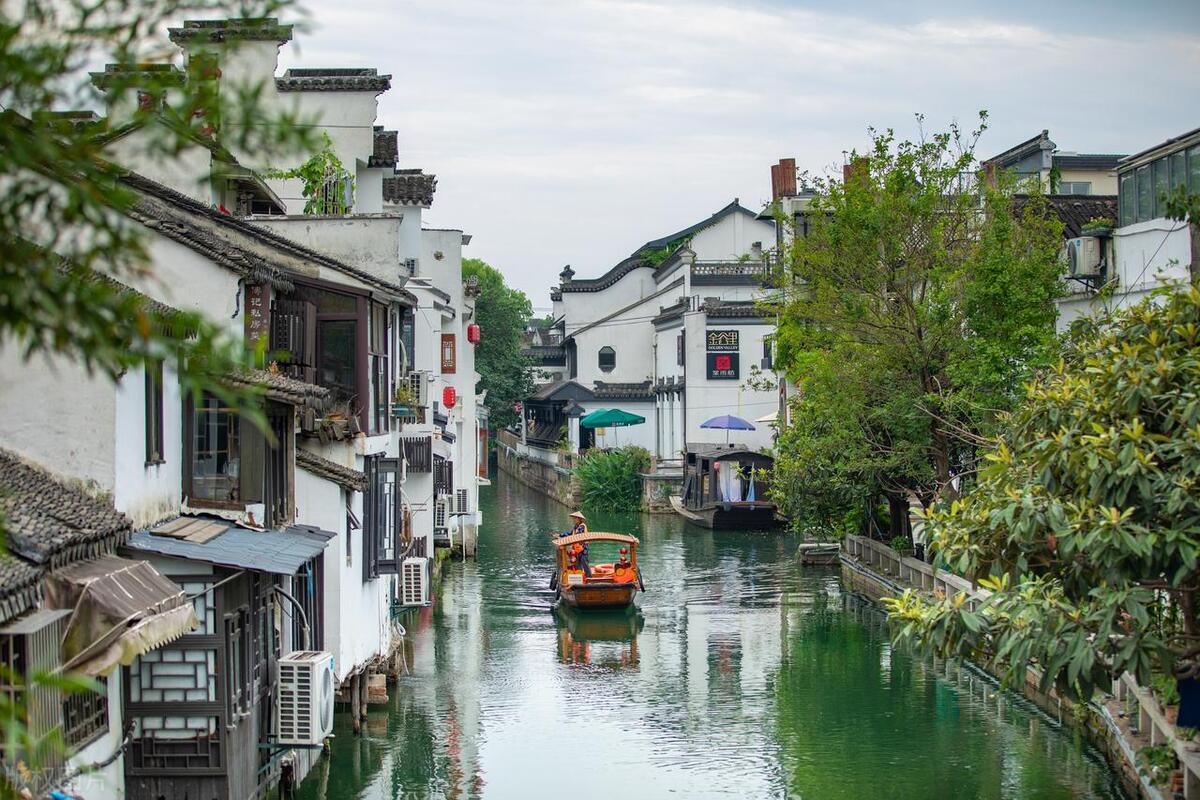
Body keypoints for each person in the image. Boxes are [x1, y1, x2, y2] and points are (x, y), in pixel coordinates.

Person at [563, 511, 590, 576]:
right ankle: (580, 577)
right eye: (574, 518)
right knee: (578, 564)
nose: (574, 520)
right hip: (577, 549)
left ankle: (589, 577)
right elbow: (570, 533)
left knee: (584, 563)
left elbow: (579, 535)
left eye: (575, 518)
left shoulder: (582, 526)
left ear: (579, 519)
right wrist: (560, 535)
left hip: (583, 548)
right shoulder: (576, 526)